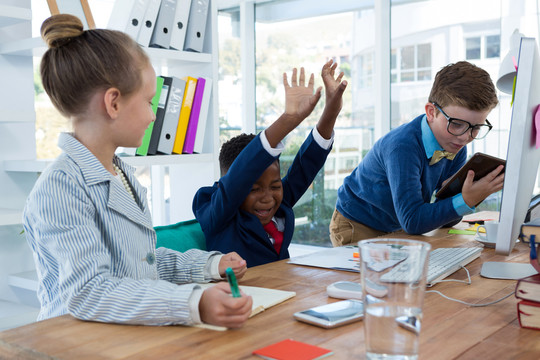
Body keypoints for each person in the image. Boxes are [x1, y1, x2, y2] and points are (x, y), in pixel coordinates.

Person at [22, 14, 252, 328]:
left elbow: (145, 263)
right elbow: (89, 291)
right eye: (148, 101)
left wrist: (210, 265)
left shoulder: (123, 173)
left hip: (125, 339)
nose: (153, 116)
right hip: (76, 345)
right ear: (113, 103)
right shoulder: (60, 188)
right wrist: (192, 302)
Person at [330, 61, 505, 246]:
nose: (465, 137)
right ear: (431, 112)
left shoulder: (455, 145)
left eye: (476, 127)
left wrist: (462, 196)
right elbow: (413, 221)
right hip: (357, 224)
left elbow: (446, 220)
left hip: (396, 225)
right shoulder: (402, 147)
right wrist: (465, 199)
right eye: (456, 124)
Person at [193, 60, 347, 267]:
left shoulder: (279, 206)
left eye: (275, 186)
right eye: (254, 189)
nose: (268, 198)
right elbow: (240, 177)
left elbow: (307, 165)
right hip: (239, 297)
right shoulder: (217, 213)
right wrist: (288, 120)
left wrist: (331, 110)